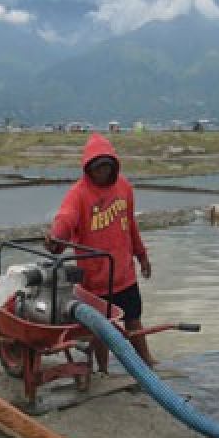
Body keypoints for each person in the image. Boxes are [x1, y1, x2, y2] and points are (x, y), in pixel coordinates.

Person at [45, 133, 156, 367]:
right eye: (98, 168)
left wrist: (142, 256)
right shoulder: (78, 194)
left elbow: (131, 226)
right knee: (99, 329)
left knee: (133, 320)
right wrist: (56, 236)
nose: (102, 173)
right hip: (95, 278)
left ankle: (146, 363)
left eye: (107, 167)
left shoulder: (124, 187)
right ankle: (102, 370)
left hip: (124, 273)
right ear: (89, 168)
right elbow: (66, 218)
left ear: (114, 166)